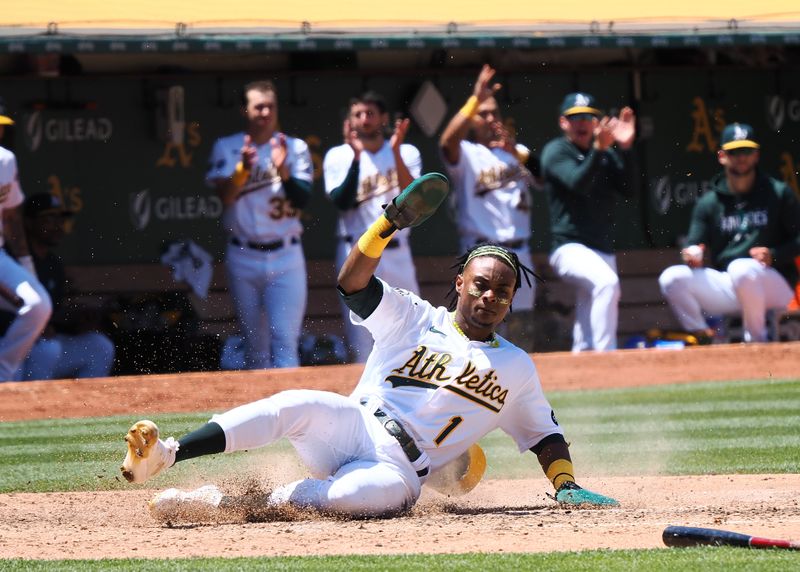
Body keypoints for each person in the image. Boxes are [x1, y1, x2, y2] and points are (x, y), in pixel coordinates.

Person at [119, 173, 618, 521]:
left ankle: (224, 503)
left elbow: (544, 435)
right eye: (481, 283)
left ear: (512, 300)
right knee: (295, 402)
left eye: (503, 290)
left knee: (355, 498)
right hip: (354, 423)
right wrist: (387, 225)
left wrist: (566, 484)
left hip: (398, 470)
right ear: (461, 281)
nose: (491, 295)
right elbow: (352, 282)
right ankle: (168, 453)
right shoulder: (415, 315)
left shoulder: (516, 367)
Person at [658, 123, 800, 343]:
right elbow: (694, 245)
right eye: (734, 152)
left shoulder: (778, 192)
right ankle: (702, 335)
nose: (741, 157)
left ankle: (757, 340)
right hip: (731, 284)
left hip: (775, 283)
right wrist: (692, 255)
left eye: (746, 151)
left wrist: (774, 254)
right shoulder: (709, 203)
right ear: (722, 156)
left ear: (756, 155)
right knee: (671, 278)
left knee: (742, 268)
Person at [206, 80, 313, 369]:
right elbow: (225, 196)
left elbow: (302, 199)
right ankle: (262, 413)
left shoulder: (294, 147)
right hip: (243, 254)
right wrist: (242, 169)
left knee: (285, 341)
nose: (265, 112)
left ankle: (290, 413)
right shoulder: (228, 147)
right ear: (245, 110)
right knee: (255, 346)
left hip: (286, 253)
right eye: (258, 106)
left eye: (270, 106)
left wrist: (284, 171)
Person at [439, 65, 540, 350]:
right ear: (472, 120)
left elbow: (544, 178)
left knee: (521, 326)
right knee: (474, 323)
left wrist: (517, 152)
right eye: (483, 113)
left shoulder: (514, 152)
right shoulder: (468, 154)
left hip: (519, 250)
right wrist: (474, 101)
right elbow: (447, 142)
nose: (490, 118)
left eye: (494, 112)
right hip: (480, 250)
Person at [323, 91, 422, 362]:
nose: (364, 119)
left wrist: (396, 152)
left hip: (397, 250)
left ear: (383, 118)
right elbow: (342, 202)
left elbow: (416, 197)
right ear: (349, 121)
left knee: (412, 329)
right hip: (357, 250)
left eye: (370, 113)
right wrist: (356, 158)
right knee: (362, 340)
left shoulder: (406, 151)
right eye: (358, 114)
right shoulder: (338, 156)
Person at [540, 92, 637, 352]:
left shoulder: (605, 152)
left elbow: (629, 189)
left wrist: (626, 148)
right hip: (568, 248)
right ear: (563, 122)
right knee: (606, 284)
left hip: (601, 248)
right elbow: (577, 183)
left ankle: (583, 360)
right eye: (575, 118)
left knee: (591, 302)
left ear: (597, 121)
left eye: (588, 117)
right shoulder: (556, 151)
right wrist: (599, 149)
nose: (582, 123)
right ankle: (606, 355)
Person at [16, 193, 115, 380]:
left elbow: (54, 315)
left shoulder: (54, 265)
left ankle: (84, 408)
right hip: (15, 347)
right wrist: (35, 327)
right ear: (29, 223)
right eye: (49, 219)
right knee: (47, 349)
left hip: (45, 345)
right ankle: (34, 408)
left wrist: (78, 320)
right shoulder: (13, 262)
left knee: (99, 346)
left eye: (60, 219)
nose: (57, 226)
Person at [0, 98, 52, 382]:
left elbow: (10, 218)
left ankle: (2, 377)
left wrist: (27, 269)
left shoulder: (4, 160)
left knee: (38, 304)